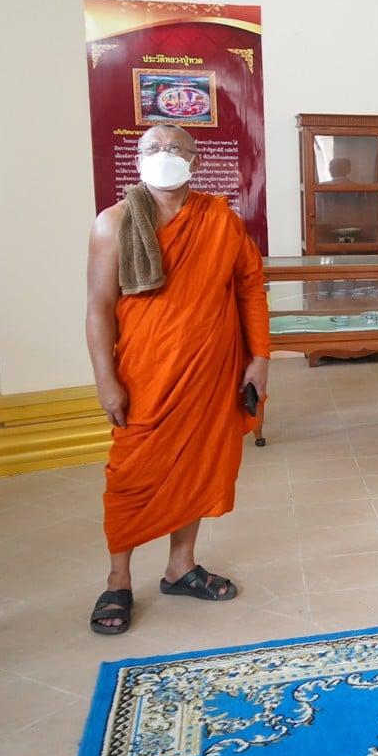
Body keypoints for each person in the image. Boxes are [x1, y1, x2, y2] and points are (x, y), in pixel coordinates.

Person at [84, 126, 270, 633]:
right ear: (137, 159)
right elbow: (99, 309)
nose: (162, 155)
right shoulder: (114, 222)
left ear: (196, 161)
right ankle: (118, 579)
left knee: (197, 464)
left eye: (174, 149)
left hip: (212, 371)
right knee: (131, 474)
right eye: (151, 148)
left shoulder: (221, 220)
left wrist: (260, 357)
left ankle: (180, 566)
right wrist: (105, 380)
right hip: (145, 375)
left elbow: (249, 288)